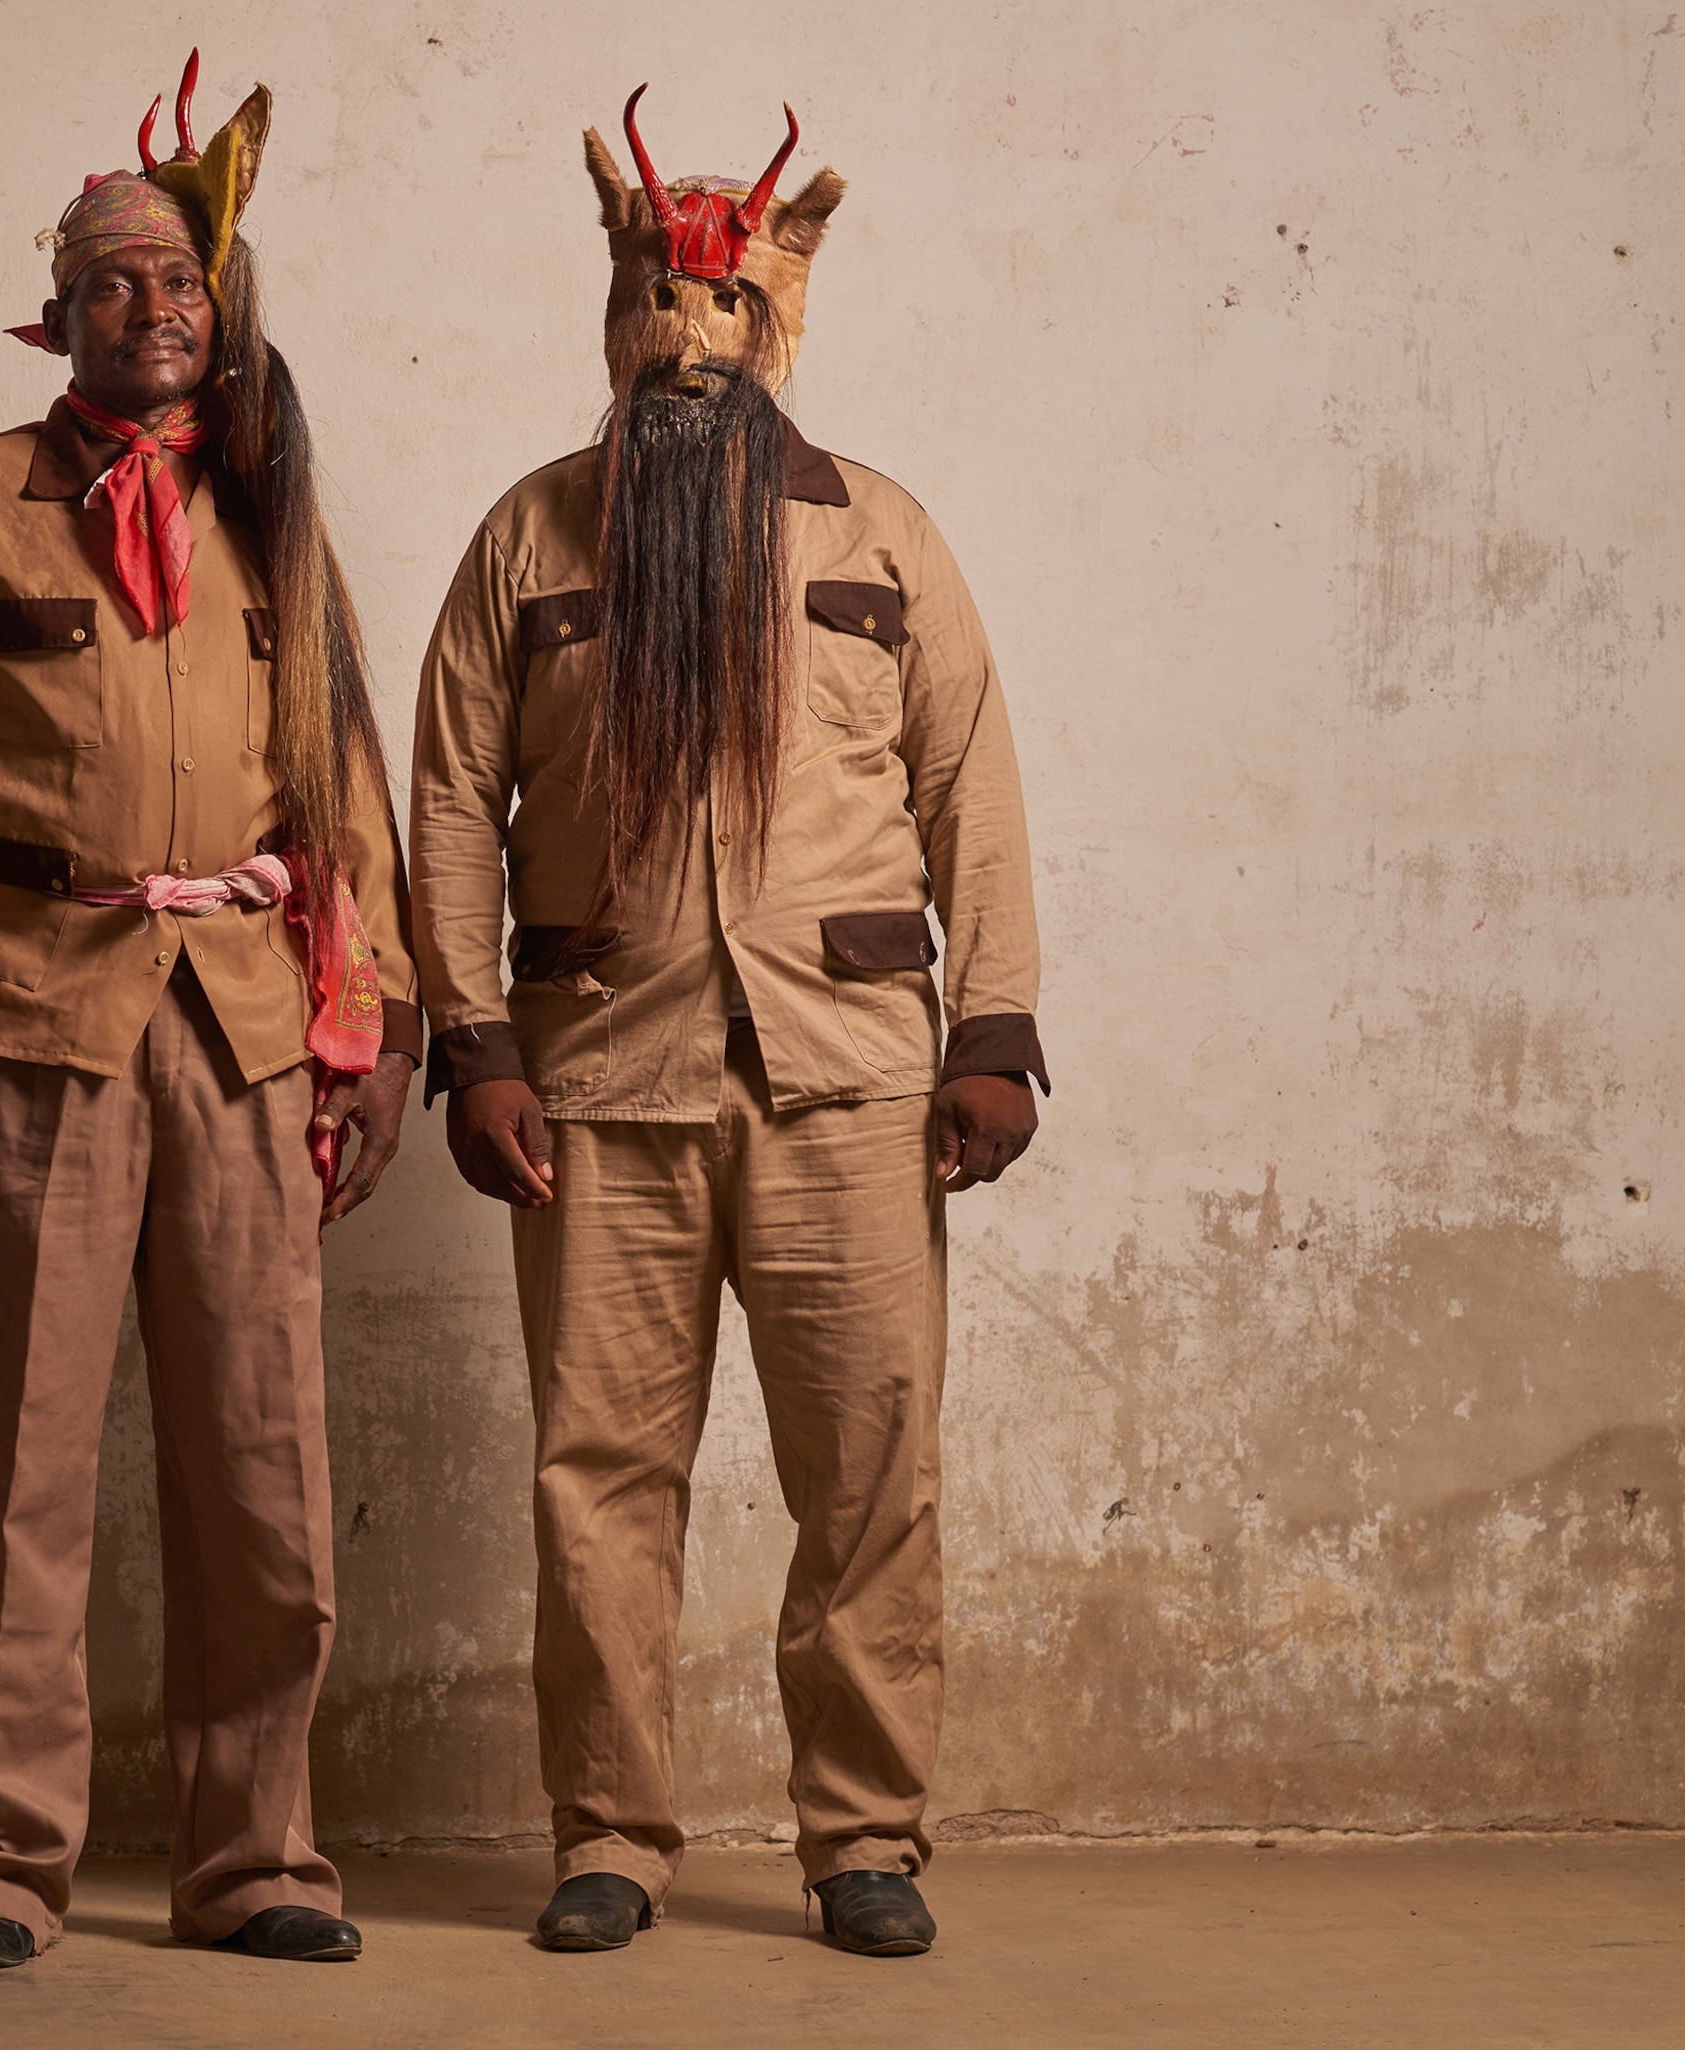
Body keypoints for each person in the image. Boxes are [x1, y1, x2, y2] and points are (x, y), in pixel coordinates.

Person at [409, 94, 1048, 1960]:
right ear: (614, 314)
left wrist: (992, 1029)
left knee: (872, 1463)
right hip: (602, 1079)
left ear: (783, 320)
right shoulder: (526, 543)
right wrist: (475, 1042)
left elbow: (972, 781)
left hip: (853, 1077)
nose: (691, 344)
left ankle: (864, 1838)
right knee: (597, 1474)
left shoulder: (883, 531)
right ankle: (609, 1832)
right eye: (655, 308)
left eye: (727, 313)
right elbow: (452, 798)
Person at [0, 52, 420, 1971]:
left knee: (263, 1460)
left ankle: (256, 1859)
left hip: (245, 1030)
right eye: (110, 284)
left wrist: (384, 1023)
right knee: (21, 1473)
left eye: (180, 286)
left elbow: (342, 783)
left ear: (218, 309)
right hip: (27, 1022)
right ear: (56, 309)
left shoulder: (275, 512)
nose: (151, 313)